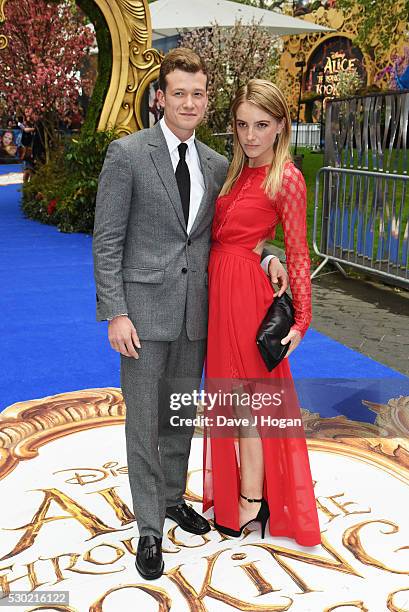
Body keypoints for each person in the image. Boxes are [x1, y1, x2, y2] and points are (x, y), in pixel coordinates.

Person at [93, 48, 289, 580]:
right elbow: (107, 240)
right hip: (142, 314)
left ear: (208, 100)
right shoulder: (127, 154)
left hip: (198, 314)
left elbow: (235, 234)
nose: (188, 101)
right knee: (145, 421)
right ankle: (149, 529)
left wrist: (269, 256)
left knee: (179, 414)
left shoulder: (219, 166)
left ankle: (175, 498)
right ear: (161, 97)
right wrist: (115, 311)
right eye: (178, 92)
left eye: (198, 93)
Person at [203, 79, 321, 547]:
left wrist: (302, 319)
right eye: (242, 125)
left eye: (261, 125)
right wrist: (261, 255)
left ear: (280, 127)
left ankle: (252, 499)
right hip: (221, 291)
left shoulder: (287, 178)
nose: (251, 135)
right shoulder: (234, 173)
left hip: (248, 300)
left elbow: (298, 255)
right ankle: (240, 496)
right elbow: (229, 238)